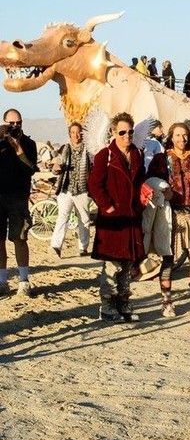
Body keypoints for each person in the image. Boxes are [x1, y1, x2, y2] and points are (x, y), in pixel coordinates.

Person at [147, 122, 190, 317]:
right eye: (177, 135)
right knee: (168, 260)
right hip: (170, 214)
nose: (181, 139)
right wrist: (161, 193)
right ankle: (166, 302)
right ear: (171, 137)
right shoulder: (162, 159)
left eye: (184, 135)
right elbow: (150, 183)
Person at [88, 112, 146, 323]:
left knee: (128, 263)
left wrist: (141, 203)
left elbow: (141, 181)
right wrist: (108, 206)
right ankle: (107, 306)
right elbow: (94, 184)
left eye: (130, 132)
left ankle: (123, 303)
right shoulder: (106, 155)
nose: (127, 136)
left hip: (131, 218)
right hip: (113, 220)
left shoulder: (137, 154)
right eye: (122, 132)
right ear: (113, 132)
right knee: (112, 265)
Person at [0, 109, 38, 296]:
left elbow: (30, 169)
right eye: (11, 123)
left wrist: (18, 148)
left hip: (18, 197)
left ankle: (23, 281)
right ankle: (2, 281)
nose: (15, 127)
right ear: (4, 122)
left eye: (18, 123)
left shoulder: (29, 144)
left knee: (20, 238)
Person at [50, 122, 91, 258]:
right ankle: (56, 246)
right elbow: (57, 168)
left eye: (78, 132)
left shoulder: (88, 150)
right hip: (66, 189)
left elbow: (93, 168)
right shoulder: (64, 148)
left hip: (82, 190)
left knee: (84, 219)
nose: (76, 135)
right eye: (73, 132)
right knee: (63, 217)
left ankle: (83, 247)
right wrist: (55, 169)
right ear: (69, 134)